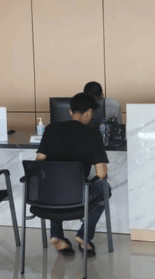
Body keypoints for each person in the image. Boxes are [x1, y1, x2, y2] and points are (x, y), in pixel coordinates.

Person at [35, 92, 110, 256]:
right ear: (89, 112)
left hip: (47, 197)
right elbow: (101, 174)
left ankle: (56, 235)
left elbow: (38, 162)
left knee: (54, 184)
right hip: (77, 196)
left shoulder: (51, 129)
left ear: (70, 111)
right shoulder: (93, 134)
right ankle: (84, 236)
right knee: (104, 188)